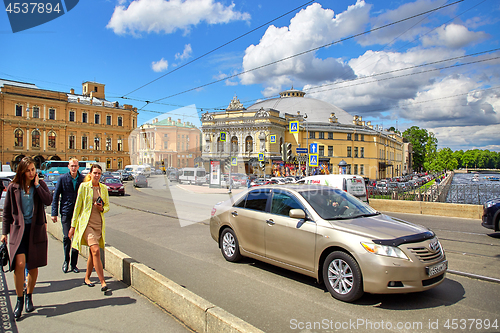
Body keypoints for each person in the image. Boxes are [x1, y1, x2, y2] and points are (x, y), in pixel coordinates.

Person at [1, 157, 52, 319]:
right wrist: (4, 233)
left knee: (34, 265)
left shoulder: (40, 185)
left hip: (35, 230)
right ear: (22, 171)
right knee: (19, 264)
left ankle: (29, 295)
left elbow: (48, 200)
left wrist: (37, 185)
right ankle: (19, 299)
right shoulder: (13, 187)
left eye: (33, 170)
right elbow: (7, 211)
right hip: (18, 231)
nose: (31, 173)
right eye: (28, 170)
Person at [68, 164, 109, 291]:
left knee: (93, 253)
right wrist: (73, 226)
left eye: (99, 173)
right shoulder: (84, 187)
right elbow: (77, 207)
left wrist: (101, 208)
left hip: (98, 224)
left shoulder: (104, 188)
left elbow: (107, 206)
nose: (97, 175)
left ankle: (86, 278)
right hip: (87, 224)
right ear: (90, 174)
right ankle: (103, 281)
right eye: (95, 173)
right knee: (96, 250)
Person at [51, 158, 84, 273]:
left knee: (76, 239)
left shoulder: (83, 179)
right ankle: (66, 260)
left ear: (78, 167)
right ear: (68, 167)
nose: (74, 168)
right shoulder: (62, 178)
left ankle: (74, 264)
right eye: (72, 166)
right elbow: (56, 197)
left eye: (75, 166)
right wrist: (54, 213)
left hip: (78, 213)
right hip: (66, 212)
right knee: (66, 237)